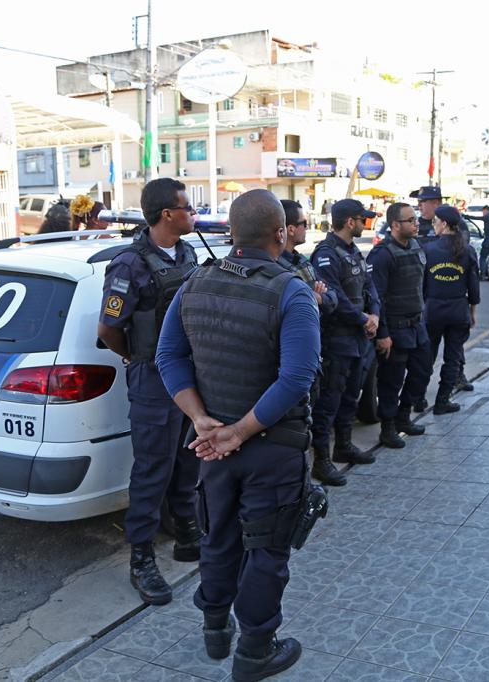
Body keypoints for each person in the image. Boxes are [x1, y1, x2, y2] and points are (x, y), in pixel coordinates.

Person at [155, 189, 320, 681]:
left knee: (218, 536)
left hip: (213, 445)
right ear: (280, 234)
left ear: (231, 233)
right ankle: (255, 650)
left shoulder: (195, 282)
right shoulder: (291, 291)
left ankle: (215, 628)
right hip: (270, 447)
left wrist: (201, 419)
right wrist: (238, 432)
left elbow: (168, 356)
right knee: (267, 550)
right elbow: (296, 378)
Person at [96, 178, 202, 606]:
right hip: (153, 378)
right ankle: (141, 556)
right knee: (153, 468)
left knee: (189, 455)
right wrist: (136, 358)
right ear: (167, 214)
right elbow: (108, 329)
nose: (193, 213)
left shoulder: (189, 253)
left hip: (190, 375)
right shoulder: (129, 265)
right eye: (188, 207)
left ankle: (186, 531)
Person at [278, 200, 344, 487]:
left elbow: (331, 298)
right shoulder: (275, 266)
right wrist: (313, 296)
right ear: (289, 229)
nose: (308, 228)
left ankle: (315, 466)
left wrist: (316, 297)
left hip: (314, 353)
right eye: (304, 223)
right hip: (289, 358)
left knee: (314, 414)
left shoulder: (301, 262)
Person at [310, 199, 380, 469]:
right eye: (363, 219)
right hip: (337, 339)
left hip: (358, 338)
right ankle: (322, 460)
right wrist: (363, 319)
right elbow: (334, 296)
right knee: (330, 400)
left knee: (351, 396)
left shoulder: (353, 250)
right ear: (350, 222)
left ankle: (344, 446)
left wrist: (374, 315)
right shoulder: (326, 254)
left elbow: (369, 286)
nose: (366, 223)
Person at [367, 201, 431, 448]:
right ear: (395, 225)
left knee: (422, 373)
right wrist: (383, 334)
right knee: (391, 382)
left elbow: (422, 284)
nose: (417, 224)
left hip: (417, 325)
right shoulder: (382, 254)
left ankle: (404, 418)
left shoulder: (416, 246)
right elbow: (376, 297)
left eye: (416, 219)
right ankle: (388, 428)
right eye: (410, 220)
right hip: (395, 328)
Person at [414, 205, 480, 413]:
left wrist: (423, 306)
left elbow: (421, 284)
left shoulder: (429, 249)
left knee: (427, 356)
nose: (433, 225)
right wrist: (472, 312)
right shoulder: (467, 250)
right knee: (453, 357)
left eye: (435, 221)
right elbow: (473, 286)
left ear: (443, 224)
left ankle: (418, 398)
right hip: (458, 309)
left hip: (433, 309)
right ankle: (442, 401)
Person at [468, 204, 489, 281]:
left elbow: (477, 218)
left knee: (483, 257)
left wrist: (466, 216)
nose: (483, 214)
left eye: (483, 212)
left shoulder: (488, 216)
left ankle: (482, 275)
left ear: (486, 210)